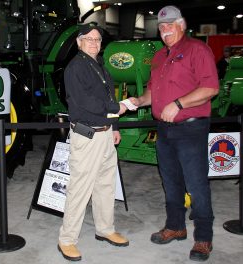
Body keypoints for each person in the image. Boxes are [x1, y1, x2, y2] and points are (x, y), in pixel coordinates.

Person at [130, 5, 219, 262]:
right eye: (161, 26)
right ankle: (176, 226)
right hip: (164, 131)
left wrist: (178, 104)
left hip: (191, 128)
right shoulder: (158, 57)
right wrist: (139, 100)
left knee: (197, 185)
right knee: (170, 183)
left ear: (182, 24)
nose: (165, 30)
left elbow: (210, 88)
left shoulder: (197, 50)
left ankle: (203, 238)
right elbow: (152, 93)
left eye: (169, 25)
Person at [58, 23, 130, 261]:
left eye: (98, 39)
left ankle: (105, 229)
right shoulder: (76, 67)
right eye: (88, 38)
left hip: (106, 134)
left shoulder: (99, 65)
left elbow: (109, 95)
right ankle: (67, 239)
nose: (94, 42)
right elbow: (85, 101)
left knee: (105, 186)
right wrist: (116, 108)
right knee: (80, 189)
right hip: (87, 136)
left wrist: (114, 126)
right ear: (79, 42)